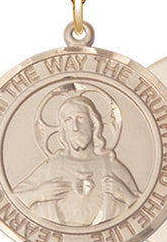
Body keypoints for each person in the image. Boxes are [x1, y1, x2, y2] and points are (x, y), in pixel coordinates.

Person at [14, 95, 140, 227]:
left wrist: (126, 196)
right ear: (64, 129)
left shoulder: (111, 167)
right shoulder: (51, 167)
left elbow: (142, 211)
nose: (75, 127)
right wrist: (38, 194)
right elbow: (14, 201)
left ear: (94, 124)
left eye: (80, 118)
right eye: (68, 120)